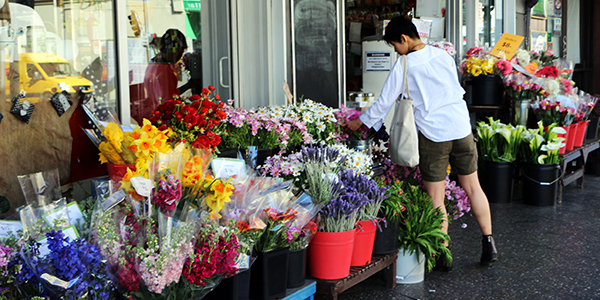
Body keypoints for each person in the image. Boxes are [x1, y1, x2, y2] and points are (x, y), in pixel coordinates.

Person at [344, 16, 497, 270]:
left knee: (435, 196)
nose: (395, 50)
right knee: (474, 187)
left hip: (433, 134)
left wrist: (359, 123)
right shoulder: (443, 55)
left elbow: (383, 103)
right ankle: (488, 242)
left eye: (394, 45)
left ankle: (442, 253)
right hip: (461, 128)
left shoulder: (404, 65)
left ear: (404, 39)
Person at [135, 29, 195, 123]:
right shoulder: (163, 69)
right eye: (181, 51)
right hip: (161, 116)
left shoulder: (154, 63)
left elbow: (168, 93)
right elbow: (166, 100)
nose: (180, 56)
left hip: (154, 112)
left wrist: (188, 85)